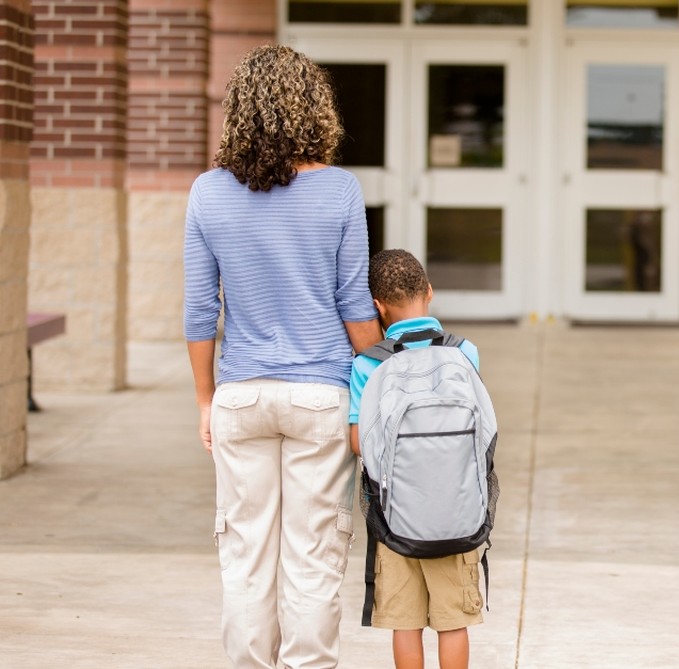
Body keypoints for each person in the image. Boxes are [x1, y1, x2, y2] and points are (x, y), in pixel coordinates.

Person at [183, 45, 383, 669]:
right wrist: (383, 379)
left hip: (240, 396)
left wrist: (205, 400)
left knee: (245, 555)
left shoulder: (207, 193)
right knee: (314, 555)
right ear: (313, 109)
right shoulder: (340, 191)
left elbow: (198, 312)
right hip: (321, 394)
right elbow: (355, 306)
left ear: (238, 110)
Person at [349, 249, 483, 669]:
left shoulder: (369, 364)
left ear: (377, 306)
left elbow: (358, 443)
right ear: (429, 292)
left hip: (396, 519)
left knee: (405, 625)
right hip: (457, 514)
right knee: (453, 622)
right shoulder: (465, 353)